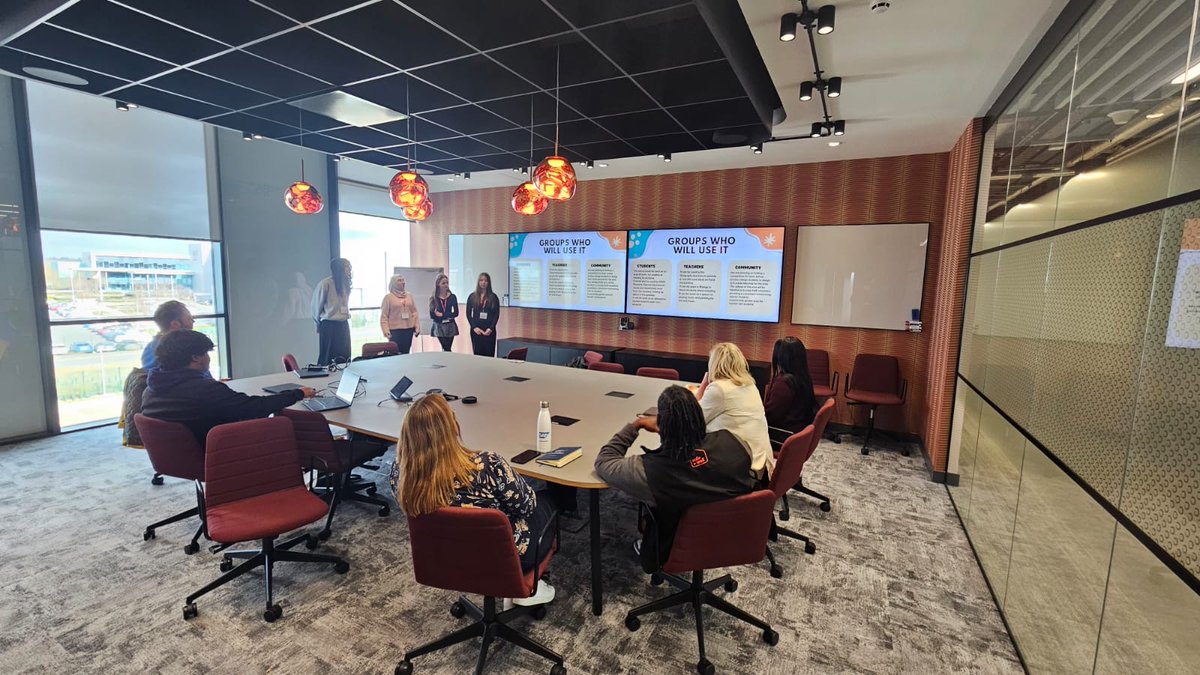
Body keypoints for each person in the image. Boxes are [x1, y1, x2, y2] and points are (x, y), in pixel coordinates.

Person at [391, 394, 556, 606]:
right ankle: (524, 587)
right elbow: (527, 506)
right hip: (504, 559)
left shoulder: (401, 474)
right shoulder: (487, 465)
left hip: (443, 556)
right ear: (452, 427)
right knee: (546, 501)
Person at [595, 385, 756, 573]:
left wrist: (635, 425)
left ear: (661, 424)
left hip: (676, 545)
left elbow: (604, 461)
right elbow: (701, 465)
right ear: (699, 415)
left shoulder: (650, 472)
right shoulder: (734, 443)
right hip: (732, 533)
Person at [140, 330, 315, 445]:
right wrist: (298, 393)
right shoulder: (204, 391)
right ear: (195, 357)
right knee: (283, 426)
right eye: (206, 353)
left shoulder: (151, 389)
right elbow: (253, 408)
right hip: (220, 453)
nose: (208, 358)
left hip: (180, 456)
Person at [696, 342, 774, 477]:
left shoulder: (719, 389)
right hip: (761, 464)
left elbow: (692, 419)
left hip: (743, 469)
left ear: (714, 364)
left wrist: (704, 384)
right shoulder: (750, 385)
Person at [763, 337, 819, 439]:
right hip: (799, 434)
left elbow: (771, 417)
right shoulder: (803, 377)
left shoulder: (783, 383)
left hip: (783, 435)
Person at [312, 258, 352, 366]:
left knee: (344, 357)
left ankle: (343, 376)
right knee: (328, 358)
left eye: (349, 267)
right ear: (339, 268)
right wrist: (317, 324)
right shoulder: (326, 283)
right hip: (329, 325)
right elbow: (316, 306)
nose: (349, 269)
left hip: (343, 324)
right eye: (347, 266)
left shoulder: (345, 284)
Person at [141, 300, 194, 370]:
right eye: (189, 319)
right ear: (175, 324)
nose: (193, 322)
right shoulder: (178, 350)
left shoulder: (150, 348)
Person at [380, 274, 420, 354]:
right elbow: (384, 316)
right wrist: (385, 330)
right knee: (395, 353)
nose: (403, 282)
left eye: (403, 280)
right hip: (395, 331)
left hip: (408, 329)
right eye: (399, 280)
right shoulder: (388, 297)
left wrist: (417, 326)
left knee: (406, 353)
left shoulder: (409, 296)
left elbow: (414, 312)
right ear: (393, 283)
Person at [466, 272, 500, 356]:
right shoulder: (472, 296)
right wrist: (474, 327)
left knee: (489, 354)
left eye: (485, 280)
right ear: (478, 282)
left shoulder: (493, 297)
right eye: (481, 280)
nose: (483, 282)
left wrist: (491, 328)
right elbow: (468, 314)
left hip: (489, 330)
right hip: (476, 330)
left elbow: (496, 314)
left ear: (488, 283)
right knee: (477, 355)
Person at [428, 273, 459, 352]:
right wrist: (443, 316)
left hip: (450, 325)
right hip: (439, 325)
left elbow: (456, 313)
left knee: (447, 348)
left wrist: (442, 315)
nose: (446, 285)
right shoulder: (434, 298)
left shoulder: (452, 297)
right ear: (438, 284)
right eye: (443, 283)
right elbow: (432, 315)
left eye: (447, 283)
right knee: (446, 348)